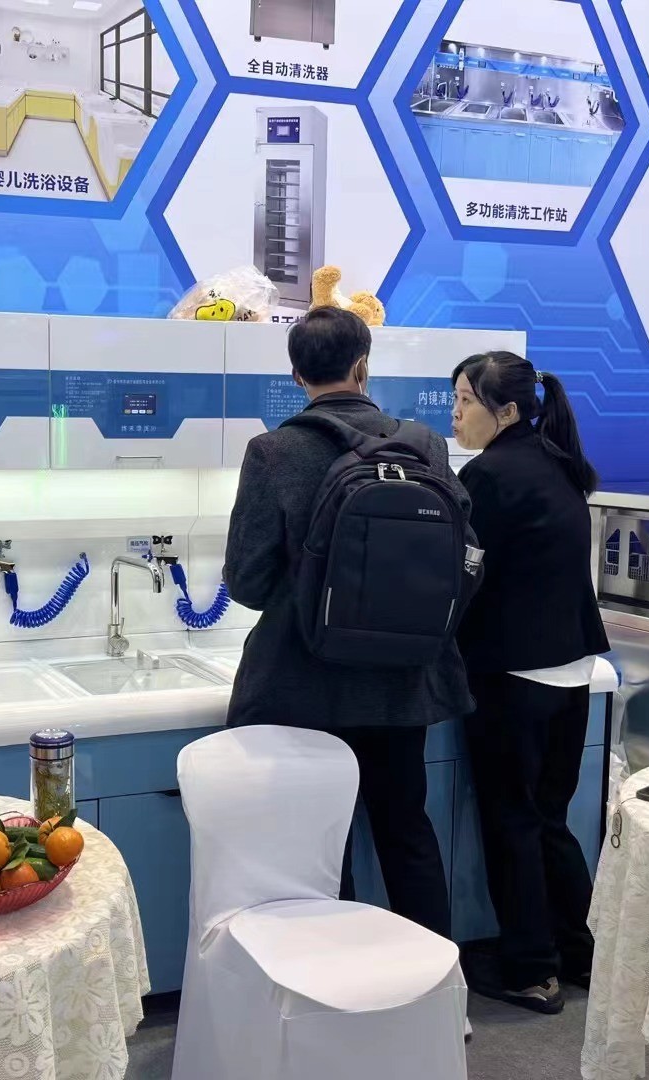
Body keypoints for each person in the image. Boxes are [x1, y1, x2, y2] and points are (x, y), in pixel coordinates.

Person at [223, 307, 475, 939]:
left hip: (305, 684)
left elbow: (247, 582)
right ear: (363, 365)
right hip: (403, 682)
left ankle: (329, 979)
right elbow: (463, 557)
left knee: (318, 844)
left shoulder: (273, 451)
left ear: (295, 374)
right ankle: (434, 981)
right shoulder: (424, 445)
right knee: (406, 830)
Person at [450, 350, 609, 1015]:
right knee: (549, 819)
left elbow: (464, 577)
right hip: (573, 670)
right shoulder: (560, 465)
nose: (455, 413)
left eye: (465, 400)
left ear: (506, 410)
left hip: (514, 673)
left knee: (512, 821)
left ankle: (530, 970)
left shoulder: (489, 475)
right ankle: (580, 955)